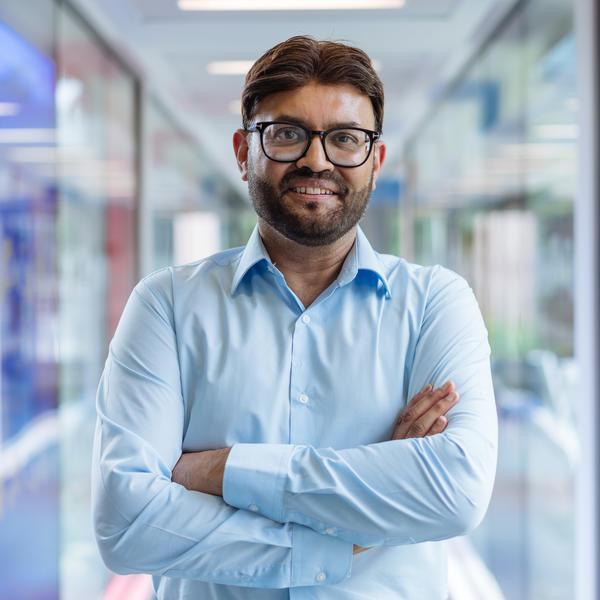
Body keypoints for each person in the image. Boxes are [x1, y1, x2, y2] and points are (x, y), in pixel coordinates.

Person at [92, 36, 497, 599]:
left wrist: (220, 470)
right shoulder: (166, 306)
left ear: (374, 162)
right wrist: (364, 509)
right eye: (286, 134)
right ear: (242, 151)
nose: (316, 158)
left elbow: (454, 492)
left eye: (345, 139)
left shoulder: (436, 303)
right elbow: (128, 524)